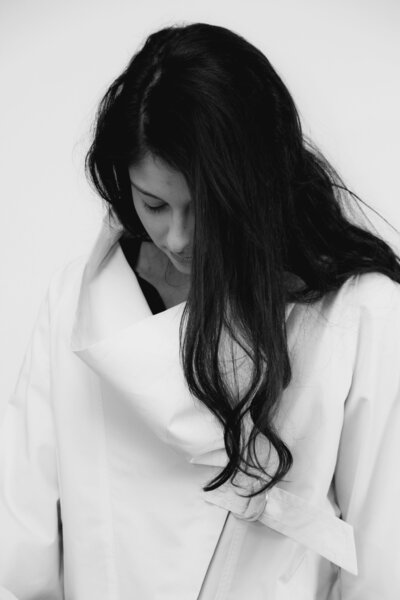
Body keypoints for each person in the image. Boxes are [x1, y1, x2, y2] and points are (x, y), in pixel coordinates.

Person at [1, 21, 400, 600]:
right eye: (154, 204)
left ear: (255, 186)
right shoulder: (76, 303)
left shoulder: (356, 313)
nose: (178, 238)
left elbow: (385, 562)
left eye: (204, 206)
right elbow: (22, 550)